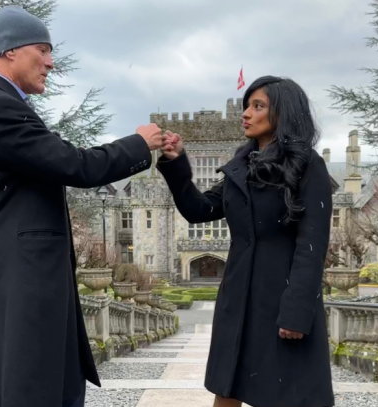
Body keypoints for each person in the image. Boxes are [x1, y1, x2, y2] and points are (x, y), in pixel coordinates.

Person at [0, 5, 163, 407]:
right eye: (43, 50)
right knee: (28, 383)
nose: (51, 62)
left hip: (19, 272)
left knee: (40, 378)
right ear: (10, 50)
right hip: (19, 275)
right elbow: (75, 165)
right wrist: (140, 143)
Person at [157, 76, 335, 407]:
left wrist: (297, 311)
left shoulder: (308, 166)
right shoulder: (241, 166)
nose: (246, 114)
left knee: (287, 393)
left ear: (283, 113)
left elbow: (312, 246)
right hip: (237, 297)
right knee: (228, 386)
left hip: (281, 299)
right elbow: (199, 209)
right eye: (246, 106)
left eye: (258, 106)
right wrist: (176, 161)